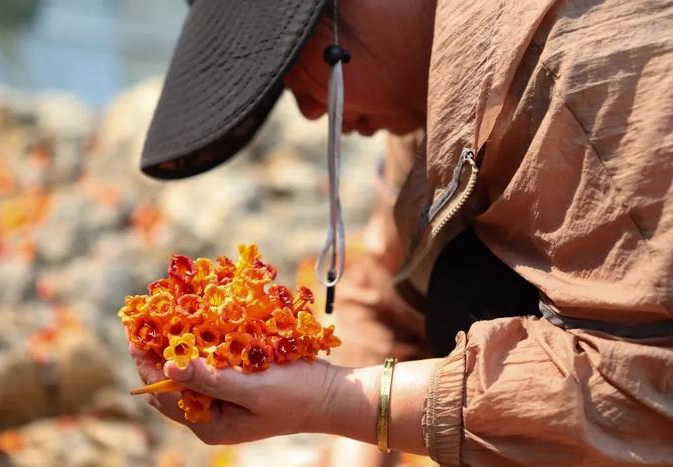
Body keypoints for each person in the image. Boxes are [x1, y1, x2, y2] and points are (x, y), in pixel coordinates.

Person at [132, 0, 673, 465]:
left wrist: (335, 401)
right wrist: (343, 431)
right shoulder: (431, 98)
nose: (313, 110)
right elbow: (384, 297)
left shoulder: (588, 68)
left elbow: (644, 388)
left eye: (294, 62)